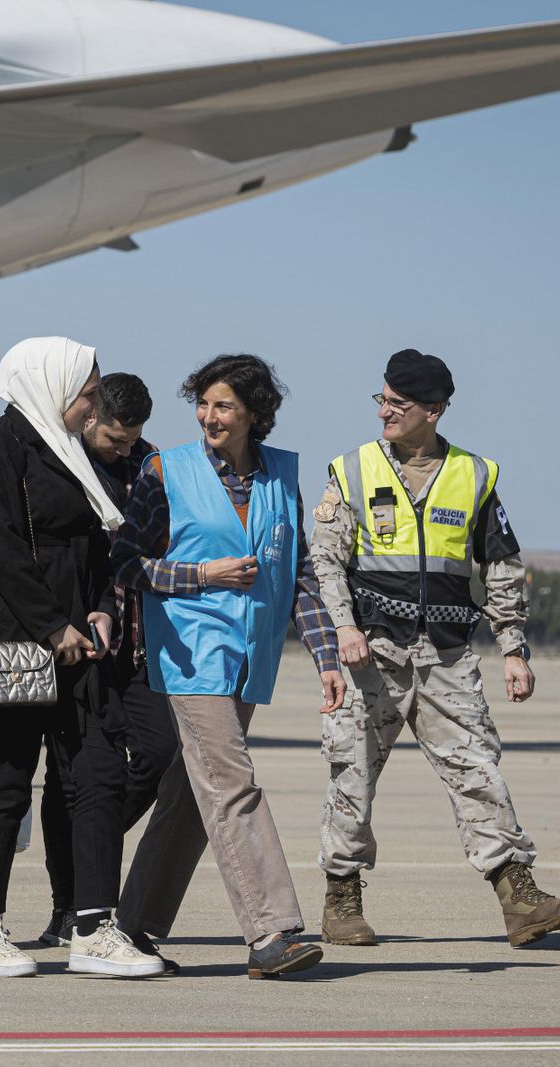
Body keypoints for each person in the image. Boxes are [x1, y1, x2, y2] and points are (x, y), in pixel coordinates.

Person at [310, 348, 560, 948]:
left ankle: (520, 899)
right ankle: (342, 899)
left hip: (448, 657)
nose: (384, 411)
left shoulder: (475, 474)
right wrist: (344, 629)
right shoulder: (352, 469)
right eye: (381, 399)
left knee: (477, 770)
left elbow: (501, 567)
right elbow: (326, 559)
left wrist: (514, 647)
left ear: (432, 412)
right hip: (371, 657)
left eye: (398, 404)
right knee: (351, 776)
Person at [111, 353, 344, 979]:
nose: (209, 417)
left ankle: (129, 930)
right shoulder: (167, 470)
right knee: (233, 783)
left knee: (193, 792)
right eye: (204, 404)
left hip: (249, 659)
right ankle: (271, 932)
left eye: (224, 406)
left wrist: (326, 656)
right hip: (190, 654)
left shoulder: (278, 479)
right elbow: (126, 563)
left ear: (253, 415)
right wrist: (200, 576)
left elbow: (297, 576)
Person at [0, 337, 164, 980]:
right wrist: (52, 626)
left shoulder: (73, 453)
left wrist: (98, 609)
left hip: (82, 640)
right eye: (87, 392)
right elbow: (2, 547)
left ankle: (93, 927)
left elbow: (101, 543)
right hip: (18, 639)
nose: (93, 405)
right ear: (50, 386)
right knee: (7, 784)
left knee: (96, 776)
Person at [37, 372, 195, 964]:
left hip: (139, 643)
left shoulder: (152, 465)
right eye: (115, 438)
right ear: (90, 417)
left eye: (134, 439)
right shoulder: (65, 461)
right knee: (69, 779)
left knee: (158, 753)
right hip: (78, 641)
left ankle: (90, 858)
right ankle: (68, 906)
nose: (124, 449)